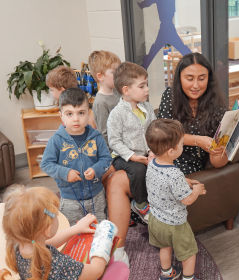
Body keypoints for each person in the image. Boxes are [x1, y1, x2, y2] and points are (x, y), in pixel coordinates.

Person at [2, 186, 130, 280]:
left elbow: (48, 243)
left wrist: (76, 229)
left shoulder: (20, 245)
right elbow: (95, 271)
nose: (57, 216)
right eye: (55, 215)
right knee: (120, 268)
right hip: (79, 272)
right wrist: (103, 241)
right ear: (47, 229)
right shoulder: (59, 264)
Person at [106, 62, 156, 264]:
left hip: (146, 153)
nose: (147, 90)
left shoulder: (147, 108)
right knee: (138, 170)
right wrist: (131, 156)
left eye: (146, 85)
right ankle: (141, 205)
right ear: (126, 90)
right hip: (124, 157)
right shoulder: (117, 114)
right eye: (142, 86)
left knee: (151, 168)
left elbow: (153, 131)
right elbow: (114, 141)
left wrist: (152, 151)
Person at [40, 88, 112, 226]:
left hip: (96, 196)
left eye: (81, 113)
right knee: (73, 232)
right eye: (69, 114)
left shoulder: (96, 137)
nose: (76, 119)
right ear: (61, 115)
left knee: (100, 228)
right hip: (69, 200)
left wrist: (96, 169)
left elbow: (106, 159)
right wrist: (65, 173)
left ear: (89, 113)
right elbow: (46, 164)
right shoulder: (56, 140)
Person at [145, 119, 206, 280]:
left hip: (155, 219)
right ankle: (188, 278)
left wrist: (184, 181)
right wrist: (197, 190)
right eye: (181, 145)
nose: (183, 147)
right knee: (189, 252)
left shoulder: (151, 163)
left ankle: (167, 274)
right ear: (172, 151)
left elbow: (163, 182)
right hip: (175, 224)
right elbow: (186, 200)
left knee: (164, 247)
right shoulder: (175, 174)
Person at [158, 52, 228, 175]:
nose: (195, 85)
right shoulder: (170, 96)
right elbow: (164, 134)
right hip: (169, 160)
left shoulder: (217, 104)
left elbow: (218, 163)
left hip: (197, 167)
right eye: (189, 79)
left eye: (201, 79)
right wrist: (198, 140)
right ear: (179, 78)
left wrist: (218, 152)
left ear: (209, 79)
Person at [88, 50, 121, 146]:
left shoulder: (116, 92)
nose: (119, 75)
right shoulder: (100, 102)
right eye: (114, 72)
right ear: (100, 76)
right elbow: (104, 133)